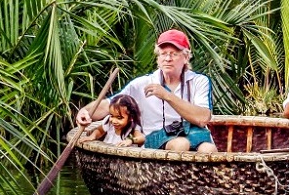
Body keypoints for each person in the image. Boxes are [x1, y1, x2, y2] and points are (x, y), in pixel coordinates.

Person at [76, 29, 217, 153]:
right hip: (157, 138)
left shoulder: (199, 81)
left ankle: (200, 182)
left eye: (174, 54)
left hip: (193, 132)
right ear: (158, 57)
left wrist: (167, 96)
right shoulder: (142, 83)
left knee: (208, 149)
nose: (168, 59)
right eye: (163, 53)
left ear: (186, 57)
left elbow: (202, 118)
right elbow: (108, 105)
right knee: (181, 144)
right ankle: (172, 181)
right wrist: (86, 112)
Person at [79, 93, 145, 147]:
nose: (113, 121)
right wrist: (92, 136)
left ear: (131, 118)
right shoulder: (109, 122)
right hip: (107, 151)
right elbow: (100, 130)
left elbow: (141, 138)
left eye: (119, 118)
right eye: (112, 115)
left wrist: (131, 140)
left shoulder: (133, 127)